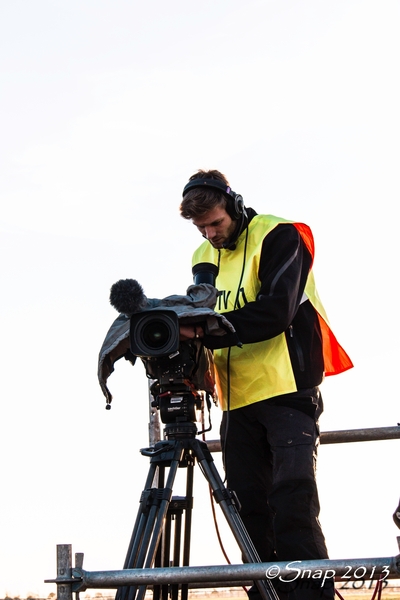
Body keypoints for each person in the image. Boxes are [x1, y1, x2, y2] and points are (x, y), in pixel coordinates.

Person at [179, 169, 353, 600]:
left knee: (292, 502)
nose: (210, 234)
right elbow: (200, 318)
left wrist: (206, 329)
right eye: (201, 227)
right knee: (248, 509)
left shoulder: (279, 235)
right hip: (236, 399)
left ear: (234, 206)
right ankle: (265, 595)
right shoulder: (203, 253)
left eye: (215, 223)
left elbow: (277, 311)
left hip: (287, 389)